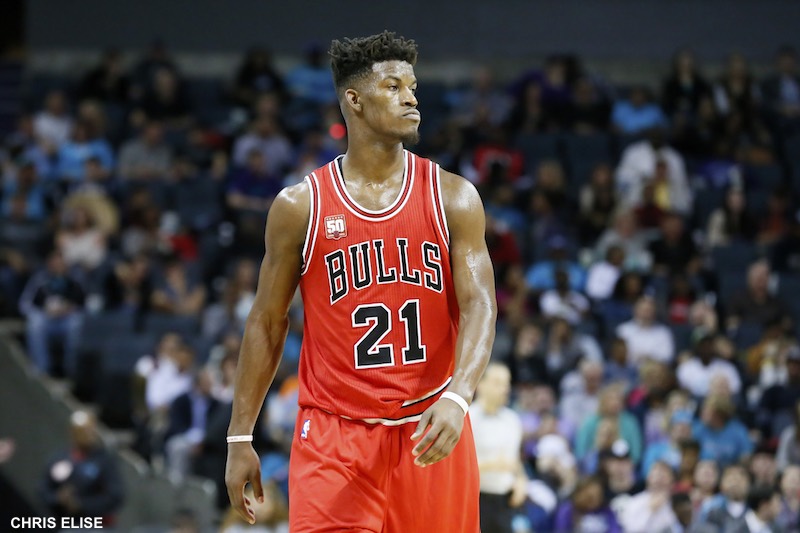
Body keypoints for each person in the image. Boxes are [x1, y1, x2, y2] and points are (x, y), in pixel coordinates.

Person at [225, 32, 496, 532]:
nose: (411, 97)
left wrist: (459, 397)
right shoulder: (300, 206)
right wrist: (240, 437)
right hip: (335, 437)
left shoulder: (454, 198)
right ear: (353, 100)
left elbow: (481, 304)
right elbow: (266, 321)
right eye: (393, 87)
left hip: (429, 430)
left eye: (412, 87)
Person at [470, 363, 527, 533]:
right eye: (497, 382)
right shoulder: (468, 419)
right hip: (476, 500)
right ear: (480, 384)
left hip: (505, 501)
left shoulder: (513, 420)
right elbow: (456, 468)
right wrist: (491, 465)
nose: (504, 388)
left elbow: (514, 460)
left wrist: (521, 480)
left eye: (506, 383)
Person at [39, 410, 124, 526]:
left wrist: (82, 505)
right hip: (61, 521)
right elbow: (43, 490)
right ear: (73, 433)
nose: (89, 434)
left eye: (91, 429)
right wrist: (58, 498)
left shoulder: (104, 461)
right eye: (83, 431)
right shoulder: (59, 459)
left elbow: (115, 496)